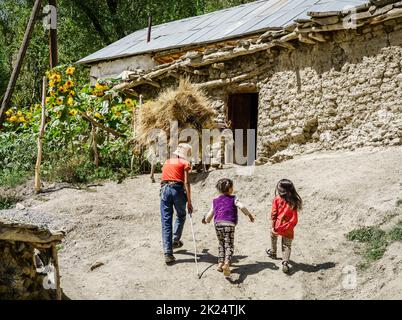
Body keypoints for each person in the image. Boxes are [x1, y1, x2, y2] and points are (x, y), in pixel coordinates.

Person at [202, 178, 255, 276]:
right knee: (229, 244)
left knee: (221, 243)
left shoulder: (215, 200)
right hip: (229, 224)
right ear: (230, 189)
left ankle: (220, 263)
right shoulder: (234, 198)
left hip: (218, 224)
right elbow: (242, 207)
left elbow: (210, 213)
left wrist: (206, 220)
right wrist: (249, 215)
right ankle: (226, 263)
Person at [160, 143, 193, 265]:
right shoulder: (185, 163)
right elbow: (186, 183)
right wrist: (189, 202)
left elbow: (163, 178)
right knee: (181, 215)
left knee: (166, 221)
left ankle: (168, 253)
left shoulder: (167, 162)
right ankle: (175, 238)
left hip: (164, 189)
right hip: (178, 189)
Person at [266, 179, 302, 273]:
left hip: (278, 224)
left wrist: (272, 226)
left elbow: (274, 214)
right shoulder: (294, 200)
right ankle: (285, 262)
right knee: (287, 245)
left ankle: (273, 252)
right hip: (289, 226)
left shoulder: (277, 199)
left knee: (273, 235)